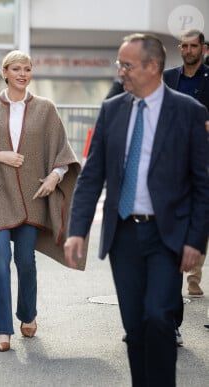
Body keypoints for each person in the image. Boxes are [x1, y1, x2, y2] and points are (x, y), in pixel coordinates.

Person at [64, 33, 209, 386]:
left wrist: (196, 240)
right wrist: (76, 229)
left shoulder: (188, 111)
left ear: (152, 67)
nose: (121, 71)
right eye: (119, 64)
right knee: (135, 326)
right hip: (123, 234)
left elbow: (203, 184)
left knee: (159, 316)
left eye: (127, 65)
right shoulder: (112, 109)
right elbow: (92, 174)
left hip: (167, 234)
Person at [0, 50, 82, 351]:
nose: (22, 74)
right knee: (0, 261)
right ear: (4, 72)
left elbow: (62, 153)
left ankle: (28, 314)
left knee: (25, 261)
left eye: (27, 69)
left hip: (32, 195)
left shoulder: (46, 108)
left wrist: (55, 177)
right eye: (16, 69)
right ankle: (2, 329)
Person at [163, 29, 209, 297]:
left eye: (194, 46)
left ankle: (194, 274)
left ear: (203, 48)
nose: (189, 50)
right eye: (185, 46)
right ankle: (178, 270)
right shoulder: (168, 78)